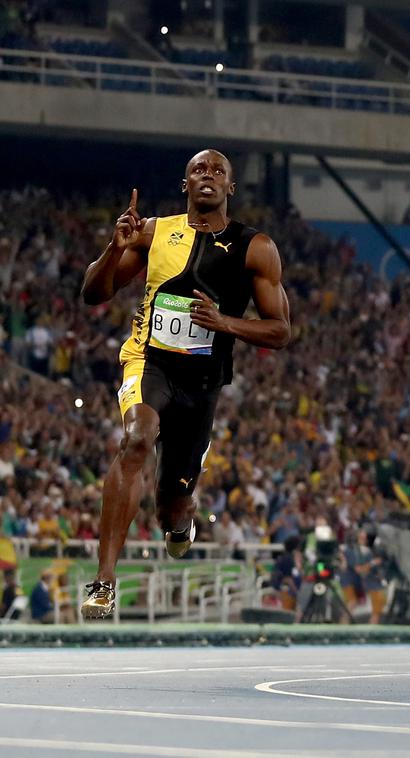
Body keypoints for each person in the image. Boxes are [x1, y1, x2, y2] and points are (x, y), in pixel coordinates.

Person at [78, 149, 291, 619]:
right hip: (149, 363)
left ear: (230, 188)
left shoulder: (256, 248)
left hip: (202, 385)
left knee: (170, 505)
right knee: (135, 440)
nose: (208, 175)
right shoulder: (153, 232)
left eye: (218, 171)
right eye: (199, 169)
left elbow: (280, 330)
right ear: (185, 183)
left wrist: (224, 322)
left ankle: (181, 520)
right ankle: (103, 582)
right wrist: (114, 247)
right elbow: (93, 293)